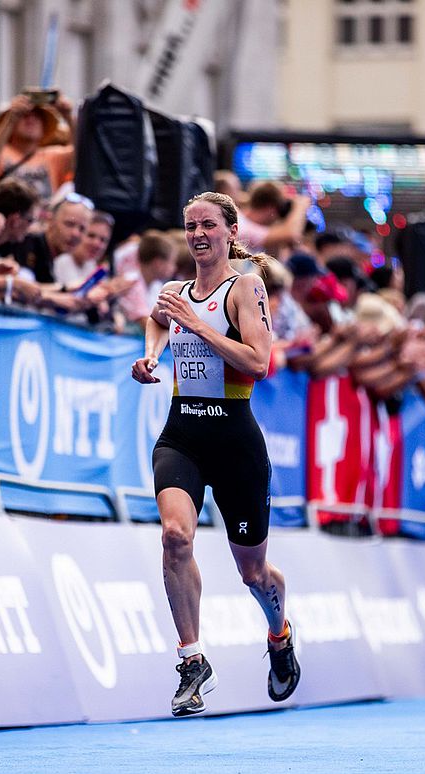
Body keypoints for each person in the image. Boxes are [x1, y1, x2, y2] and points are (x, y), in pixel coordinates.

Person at [130, 191, 299, 717]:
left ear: (230, 231)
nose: (198, 234)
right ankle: (192, 660)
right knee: (175, 535)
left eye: (208, 225)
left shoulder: (246, 286)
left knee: (253, 573)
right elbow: (158, 318)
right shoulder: (174, 290)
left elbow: (258, 363)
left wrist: (199, 326)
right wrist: (152, 354)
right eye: (190, 226)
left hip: (235, 440)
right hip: (183, 432)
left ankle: (279, 633)